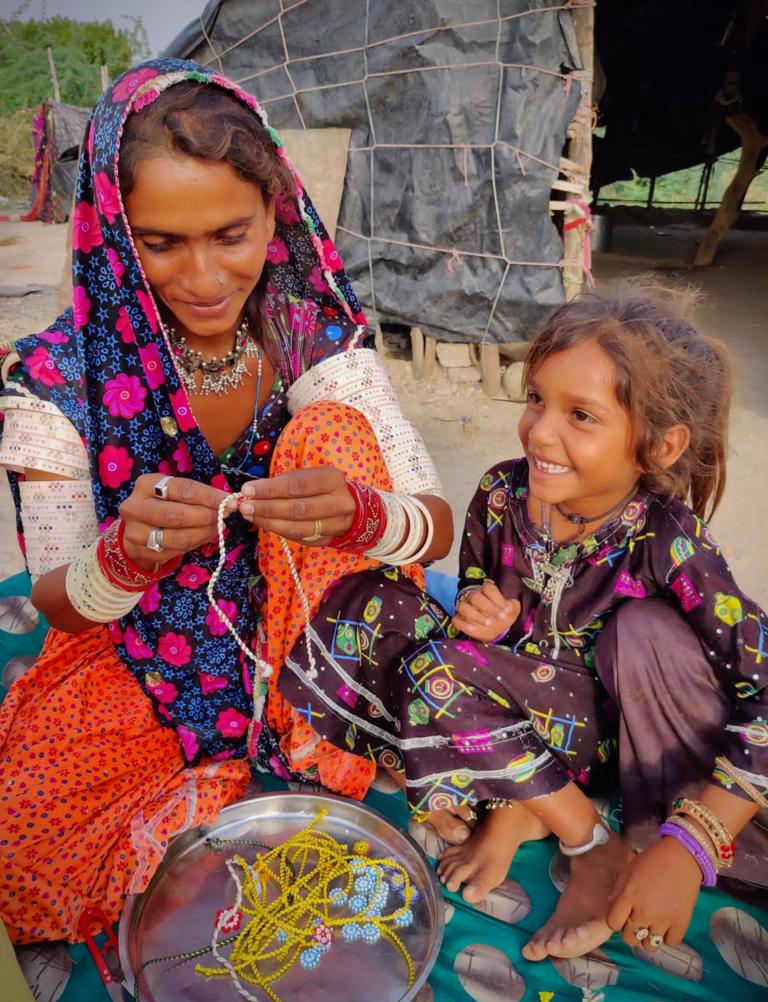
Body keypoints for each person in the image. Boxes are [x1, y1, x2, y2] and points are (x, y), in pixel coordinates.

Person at [0, 58, 453, 944]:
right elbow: (59, 598)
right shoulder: (56, 378)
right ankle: (235, 774)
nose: (205, 277)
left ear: (275, 216)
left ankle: (311, 749)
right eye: (160, 242)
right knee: (19, 859)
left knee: (331, 433)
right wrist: (126, 556)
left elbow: (432, 525)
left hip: (304, 628)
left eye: (231, 235)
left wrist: (361, 514)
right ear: (110, 230)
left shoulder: (303, 332)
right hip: (141, 645)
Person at [277, 282, 768, 961]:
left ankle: (586, 841)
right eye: (537, 398)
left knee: (444, 675)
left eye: (582, 416)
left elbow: (762, 691)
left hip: (594, 732)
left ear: (658, 447)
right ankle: (512, 802)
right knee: (368, 603)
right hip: (512, 705)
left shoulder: (670, 540)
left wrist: (694, 841)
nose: (540, 431)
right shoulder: (502, 492)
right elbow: (478, 609)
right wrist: (488, 619)